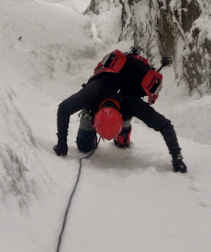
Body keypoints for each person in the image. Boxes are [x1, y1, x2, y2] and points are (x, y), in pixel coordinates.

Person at [52, 46, 188, 173]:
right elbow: (63, 108)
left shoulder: (132, 103)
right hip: (101, 103)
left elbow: (165, 125)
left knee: (121, 143)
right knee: (84, 147)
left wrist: (177, 158)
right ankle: (117, 129)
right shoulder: (93, 92)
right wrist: (62, 143)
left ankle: (123, 132)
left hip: (124, 106)